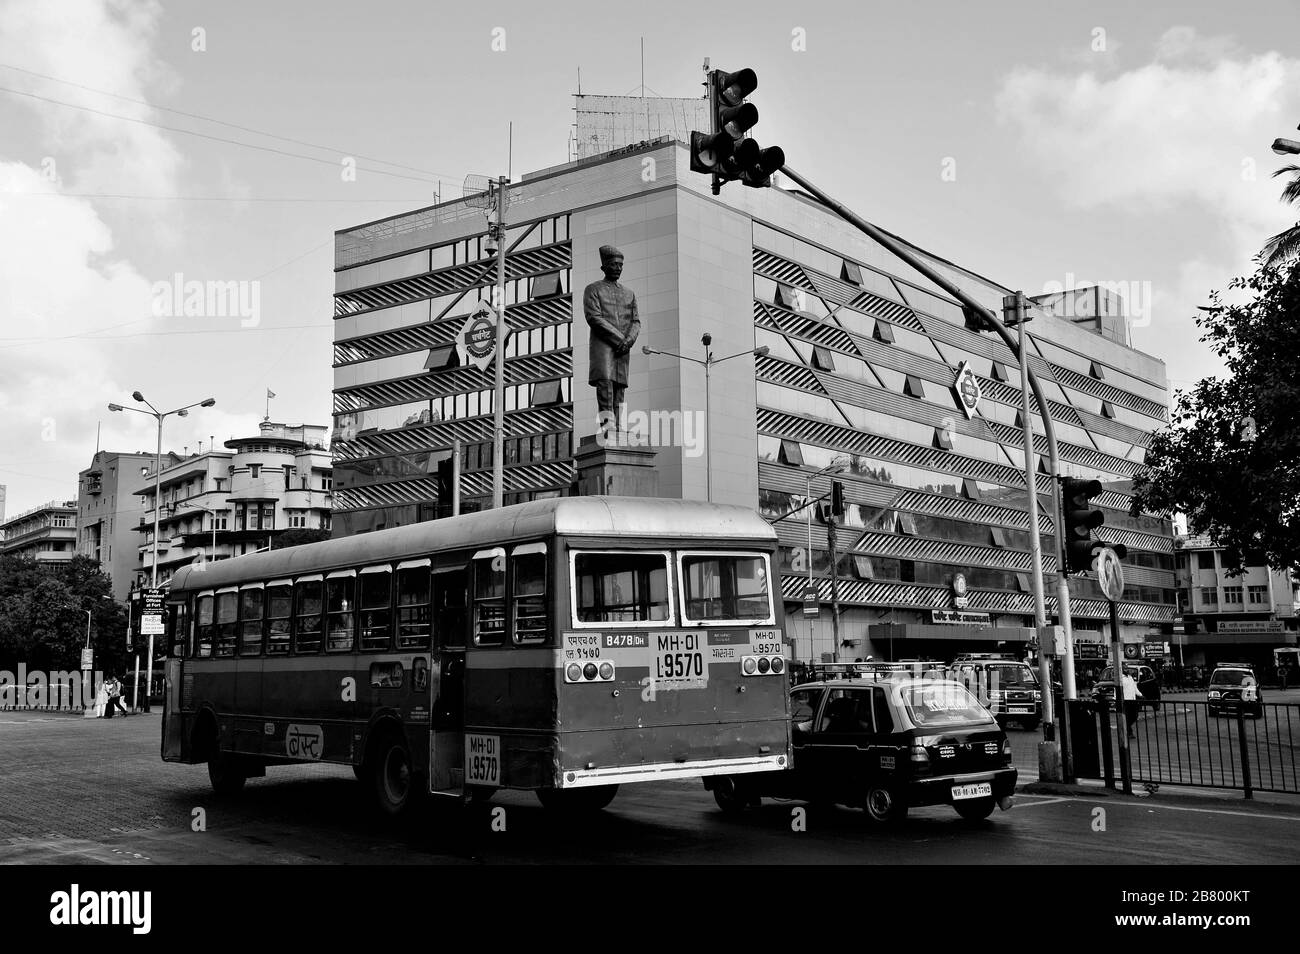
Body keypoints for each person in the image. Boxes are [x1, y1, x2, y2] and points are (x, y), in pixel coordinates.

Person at [583, 245, 640, 434]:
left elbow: (636, 321)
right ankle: (607, 426)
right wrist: (620, 340)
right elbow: (594, 318)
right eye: (614, 264)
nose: (618, 268)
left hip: (623, 349)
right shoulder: (593, 289)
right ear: (604, 267)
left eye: (621, 265)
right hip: (604, 347)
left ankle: (619, 427)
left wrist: (629, 340)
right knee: (605, 386)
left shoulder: (629, 293)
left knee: (619, 388)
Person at [1120, 668, 1141, 738]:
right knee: (1128, 716)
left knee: (1135, 716)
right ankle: (1129, 732)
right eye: (1124, 668)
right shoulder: (1121, 678)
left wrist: (1140, 695)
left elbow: (1134, 688)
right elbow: (1117, 689)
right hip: (1126, 700)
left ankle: (1127, 728)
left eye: (1127, 668)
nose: (1126, 669)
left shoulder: (1130, 677)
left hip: (1132, 699)